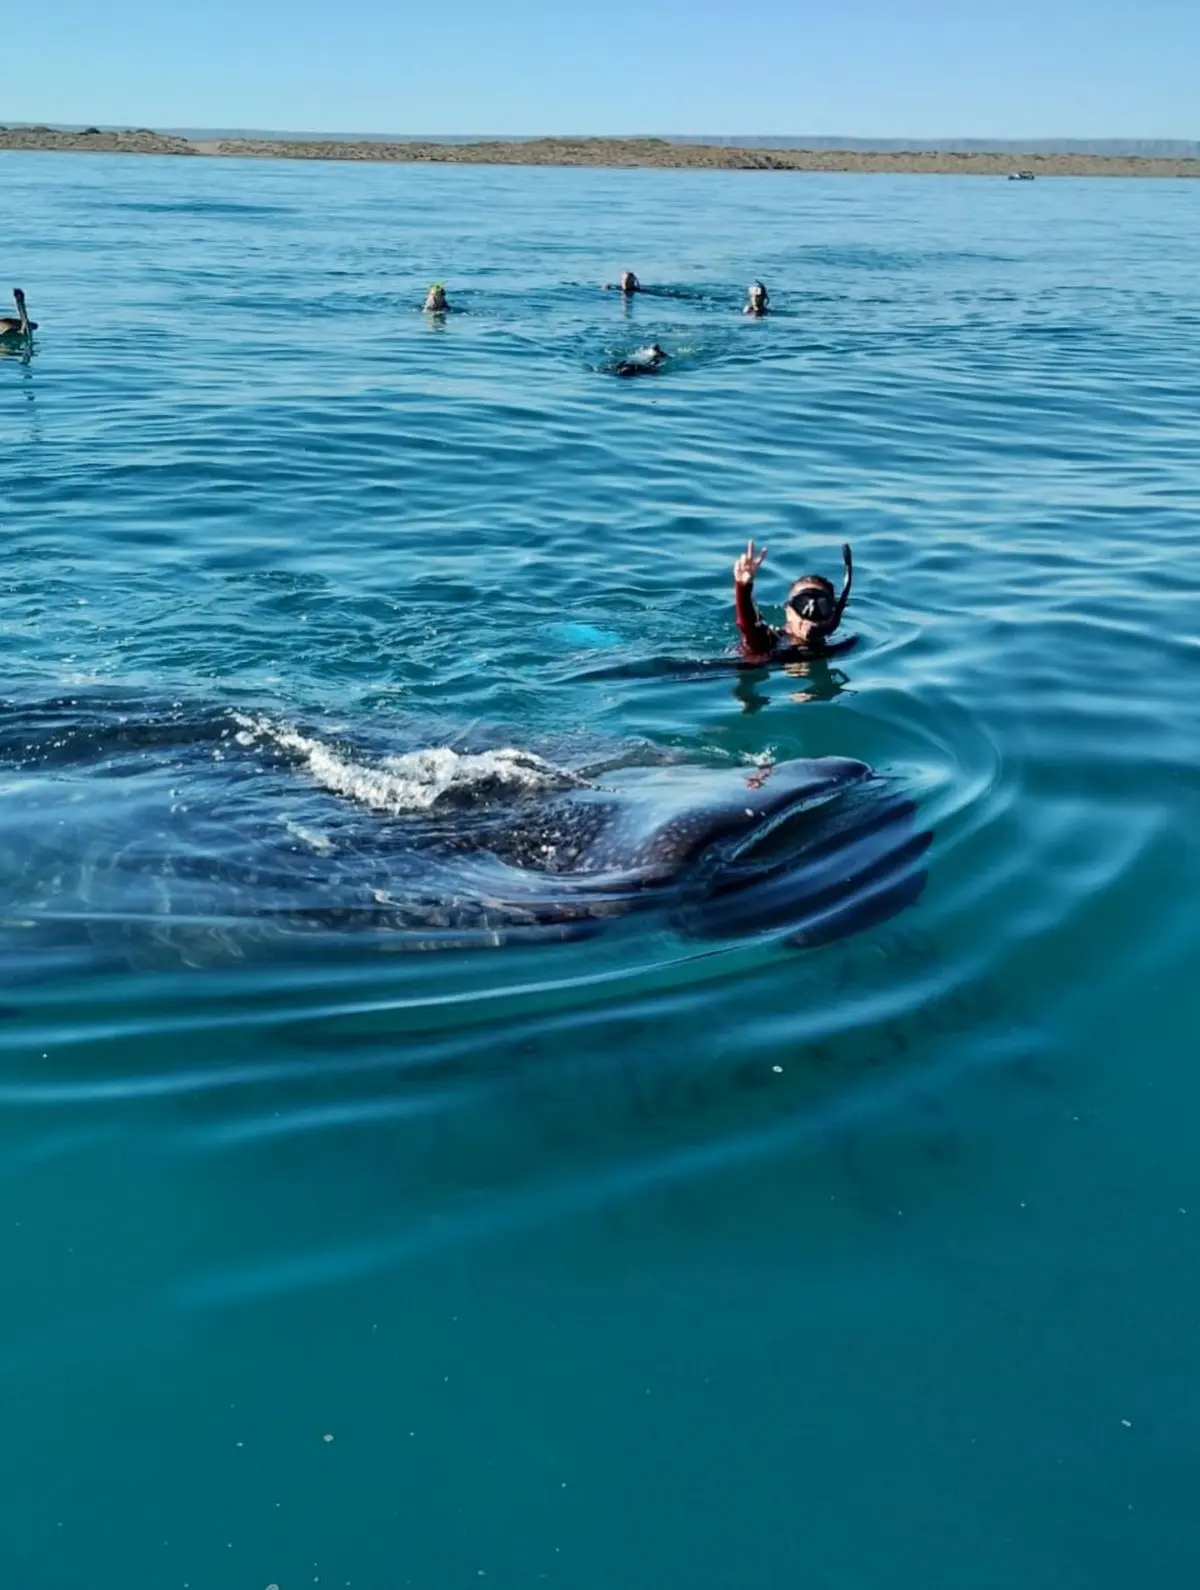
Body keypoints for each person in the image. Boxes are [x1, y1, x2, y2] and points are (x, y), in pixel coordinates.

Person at [733, 539, 856, 660]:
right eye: (802, 604)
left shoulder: (841, 646)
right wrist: (743, 588)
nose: (811, 611)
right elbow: (750, 626)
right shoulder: (771, 641)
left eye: (821, 605)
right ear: (788, 611)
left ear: (833, 614)